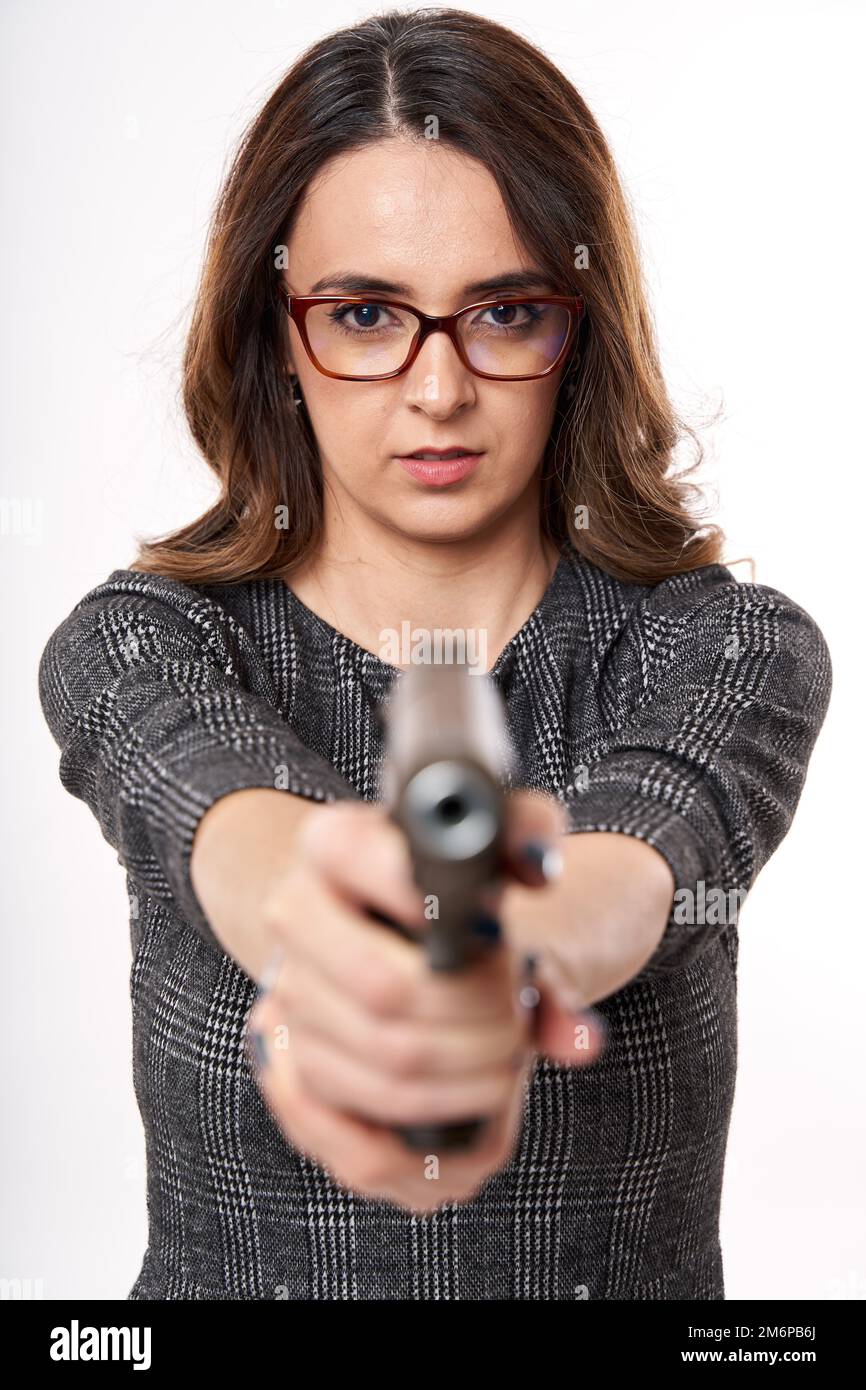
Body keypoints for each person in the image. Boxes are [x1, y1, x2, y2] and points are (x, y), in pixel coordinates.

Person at [38, 8, 832, 1300]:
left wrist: (513, 951)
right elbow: (215, 804)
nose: (437, 387)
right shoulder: (139, 640)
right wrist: (336, 934)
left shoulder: (729, 644)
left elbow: (638, 863)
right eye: (363, 314)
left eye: (505, 312)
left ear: (579, 334)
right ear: (277, 334)